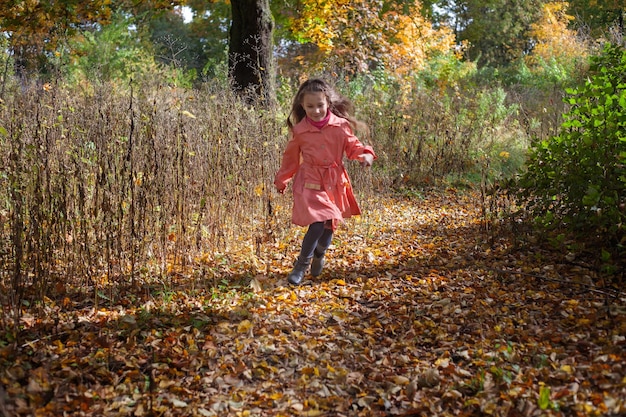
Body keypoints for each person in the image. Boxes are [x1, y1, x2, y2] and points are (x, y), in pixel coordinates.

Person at [274, 78, 376, 285]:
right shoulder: (300, 131)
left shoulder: (340, 126)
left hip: (334, 181)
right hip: (309, 181)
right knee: (319, 221)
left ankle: (320, 254)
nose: (316, 111)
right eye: (310, 106)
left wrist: (365, 155)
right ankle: (301, 265)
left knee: (329, 226)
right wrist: (282, 180)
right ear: (302, 106)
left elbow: (353, 146)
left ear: (327, 103)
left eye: (320, 105)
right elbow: (290, 159)